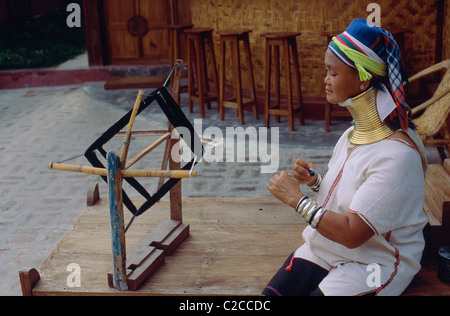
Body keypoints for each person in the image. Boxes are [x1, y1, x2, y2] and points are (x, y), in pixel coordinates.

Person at [262, 18, 429, 296]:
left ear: (363, 77)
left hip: (374, 262)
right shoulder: (353, 134)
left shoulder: (397, 156)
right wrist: (316, 182)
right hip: (326, 247)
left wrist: (297, 199)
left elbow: (353, 233)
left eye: (333, 73)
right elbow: (356, 196)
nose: (325, 80)